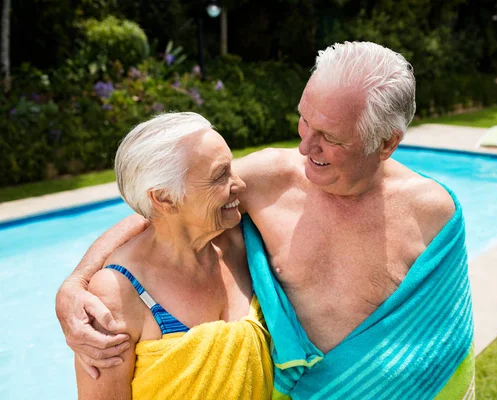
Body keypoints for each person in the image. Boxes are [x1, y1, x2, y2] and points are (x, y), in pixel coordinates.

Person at [57, 42, 474, 399]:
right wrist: (75, 285)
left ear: (385, 143)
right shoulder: (269, 179)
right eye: (305, 120)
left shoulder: (431, 213)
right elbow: (164, 215)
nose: (306, 145)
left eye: (330, 137)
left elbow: (443, 343)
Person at [73, 112, 273, 399]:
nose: (240, 185)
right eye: (220, 176)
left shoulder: (242, 242)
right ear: (164, 198)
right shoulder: (117, 295)